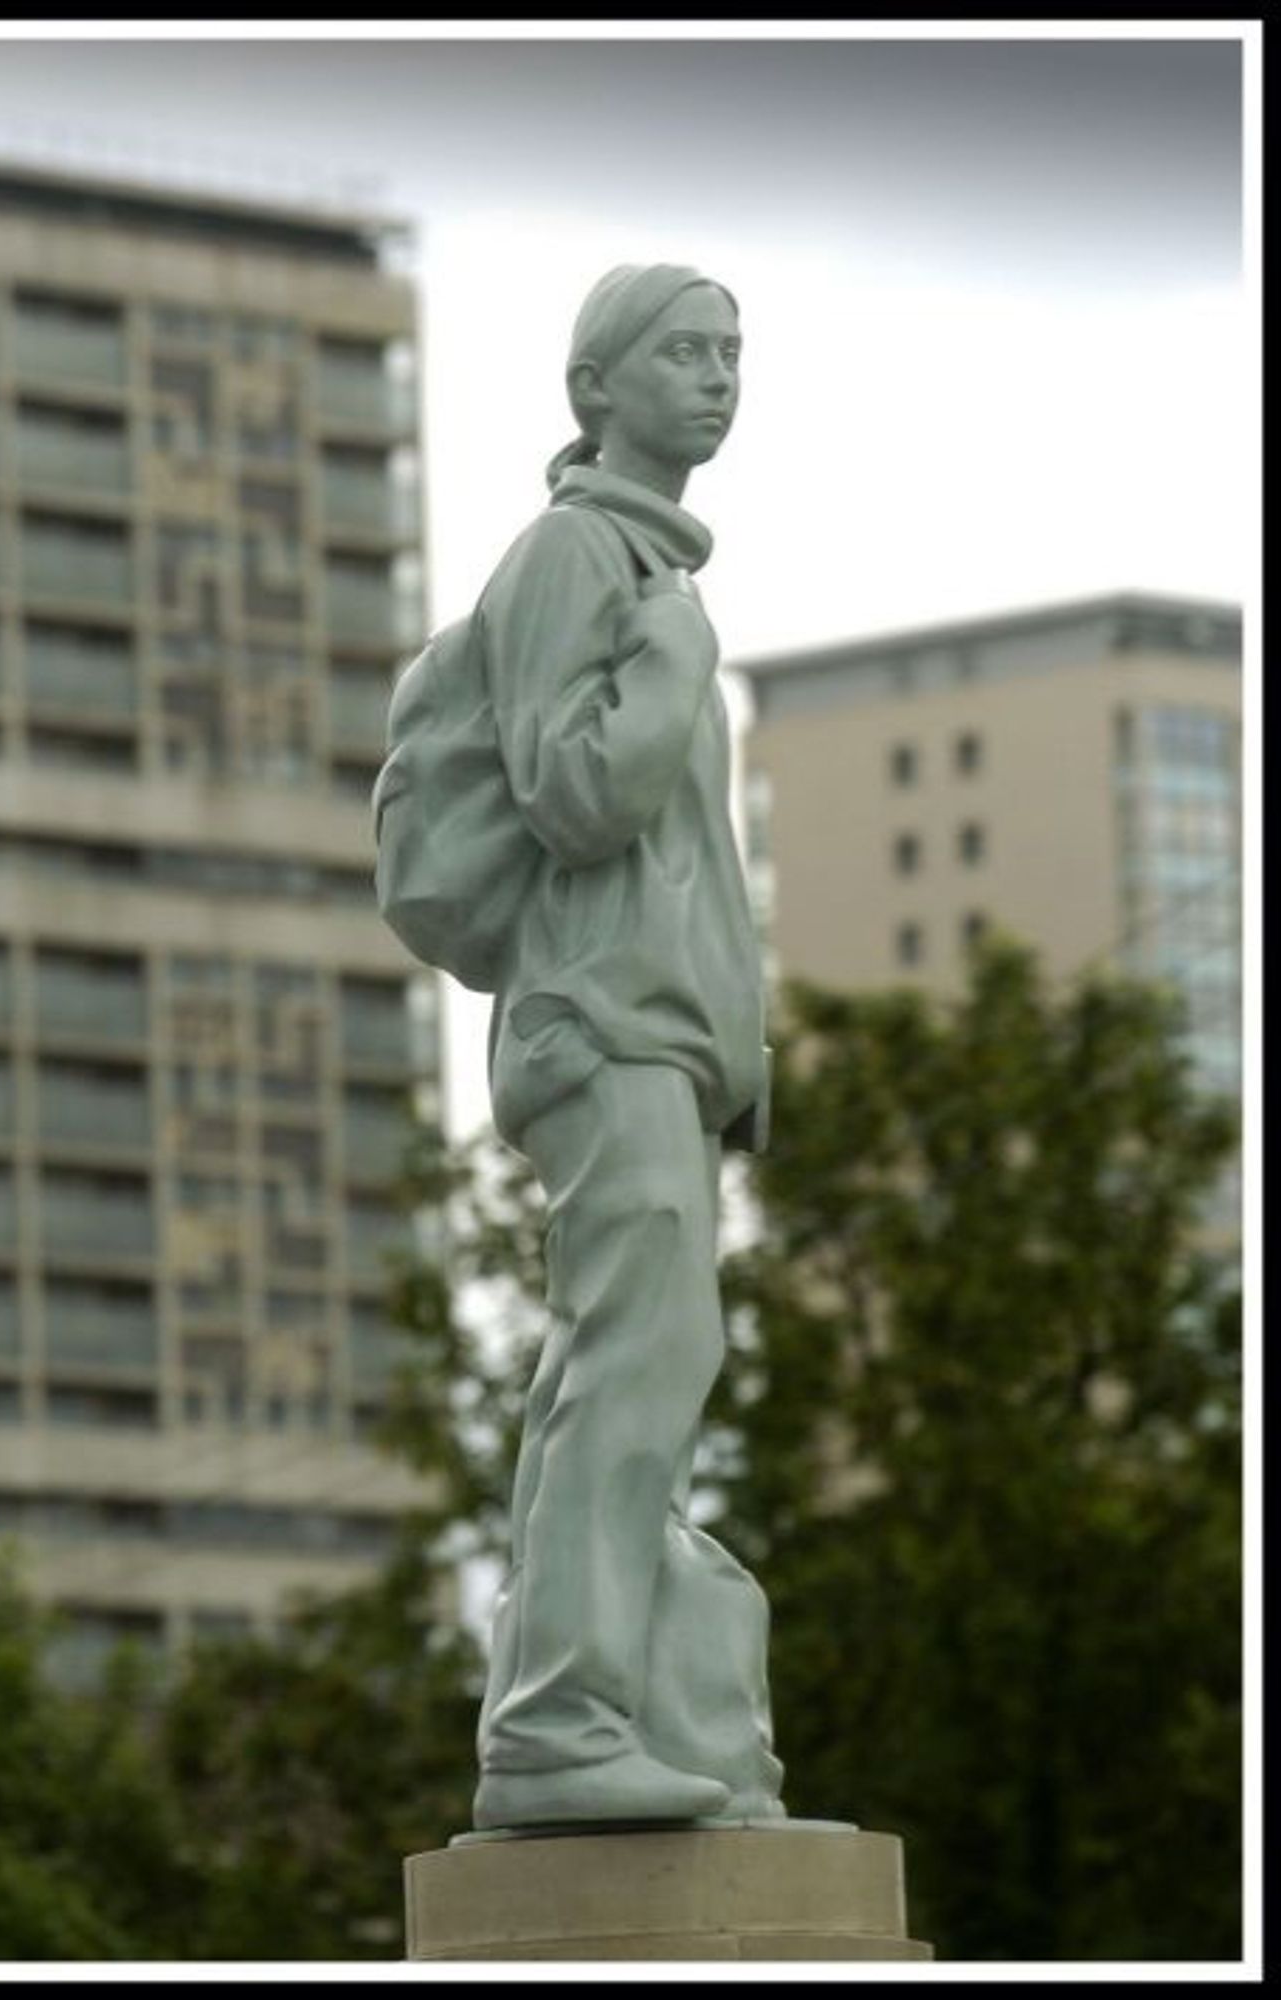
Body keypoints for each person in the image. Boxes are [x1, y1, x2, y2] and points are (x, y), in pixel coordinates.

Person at [471, 263, 785, 1831]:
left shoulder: (653, 570)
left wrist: (737, 1056)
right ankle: (560, 1721)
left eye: (732, 353)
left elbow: (692, 868)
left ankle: (634, 1704)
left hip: (656, 1037)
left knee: (649, 1367)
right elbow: (574, 798)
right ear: (596, 384)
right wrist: (668, 673)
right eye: (682, 351)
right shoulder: (574, 560)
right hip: (599, 1026)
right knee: (632, 1365)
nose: (718, 377)